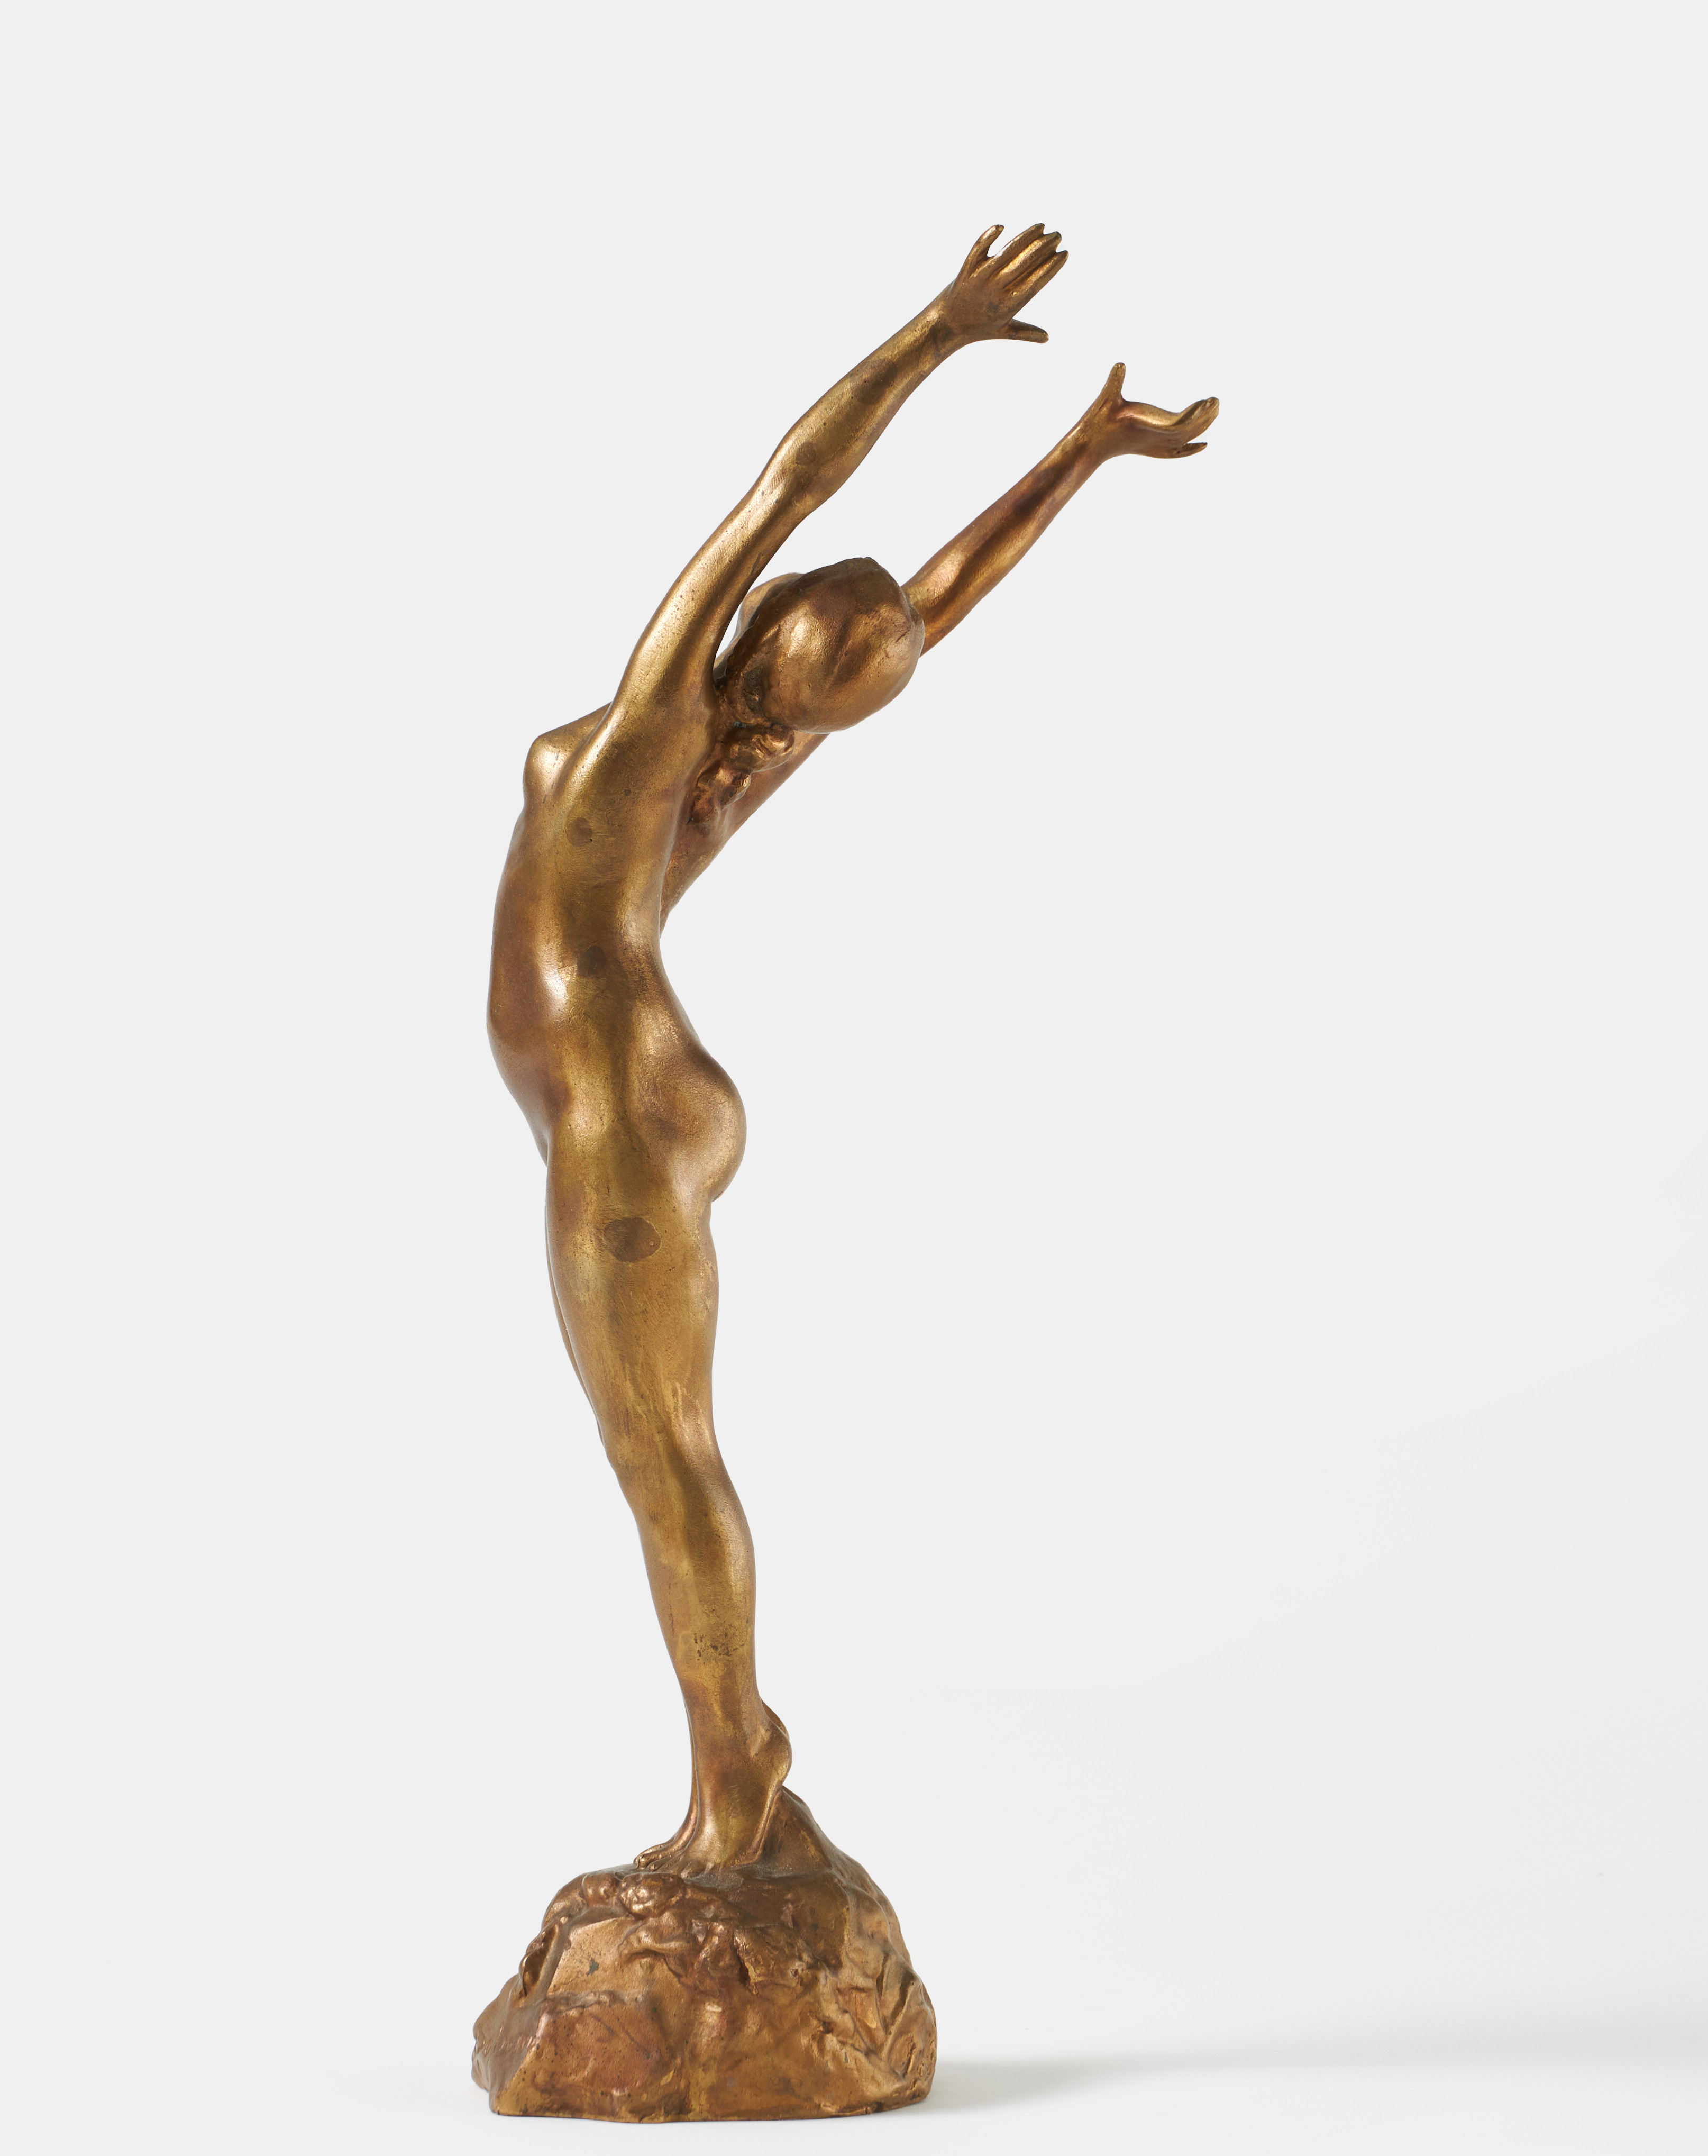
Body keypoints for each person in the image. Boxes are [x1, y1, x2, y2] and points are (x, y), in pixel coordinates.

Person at [487, 224, 1217, 1874]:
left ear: (755, 637)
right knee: (664, 1448)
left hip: (618, 1118)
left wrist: (934, 335)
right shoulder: (741, 756)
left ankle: (734, 1768)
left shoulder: (654, 737)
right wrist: (1075, 456)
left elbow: (780, 495)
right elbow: (931, 606)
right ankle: (732, 1751)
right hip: (652, 1094)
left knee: (659, 1452)